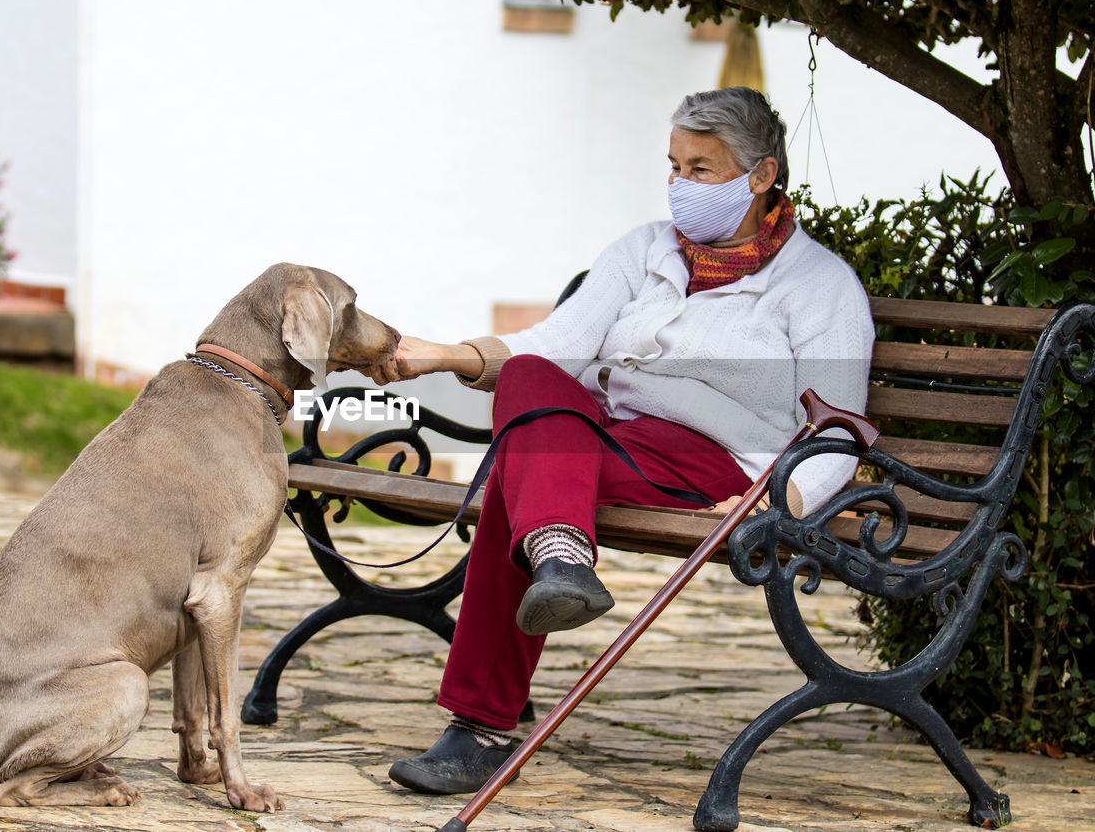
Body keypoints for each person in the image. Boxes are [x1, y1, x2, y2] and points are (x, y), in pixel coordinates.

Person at [367, 86, 874, 795]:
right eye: (673, 166)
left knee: (523, 468)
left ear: (761, 176)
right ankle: (563, 558)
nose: (679, 185)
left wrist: (773, 504)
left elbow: (838, 432)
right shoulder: (645, 249)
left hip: (714, 465)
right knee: (533, 382)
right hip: (610, 439)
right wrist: (443, 354)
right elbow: (552, 347)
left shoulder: (820, 286)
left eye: (701, 168)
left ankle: (480, 727)